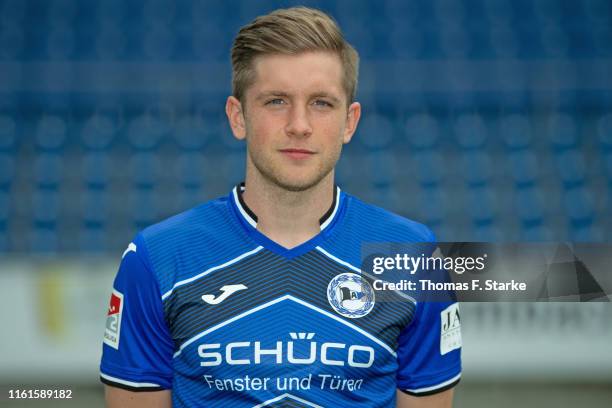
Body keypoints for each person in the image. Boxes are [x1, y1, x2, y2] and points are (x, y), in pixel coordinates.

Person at [100, 7, 461, 408]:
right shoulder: (158, 257)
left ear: (349, 122)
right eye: (276, 101)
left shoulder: (412, 256)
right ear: (238, 117)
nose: (299, 125)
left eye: (321, 103)